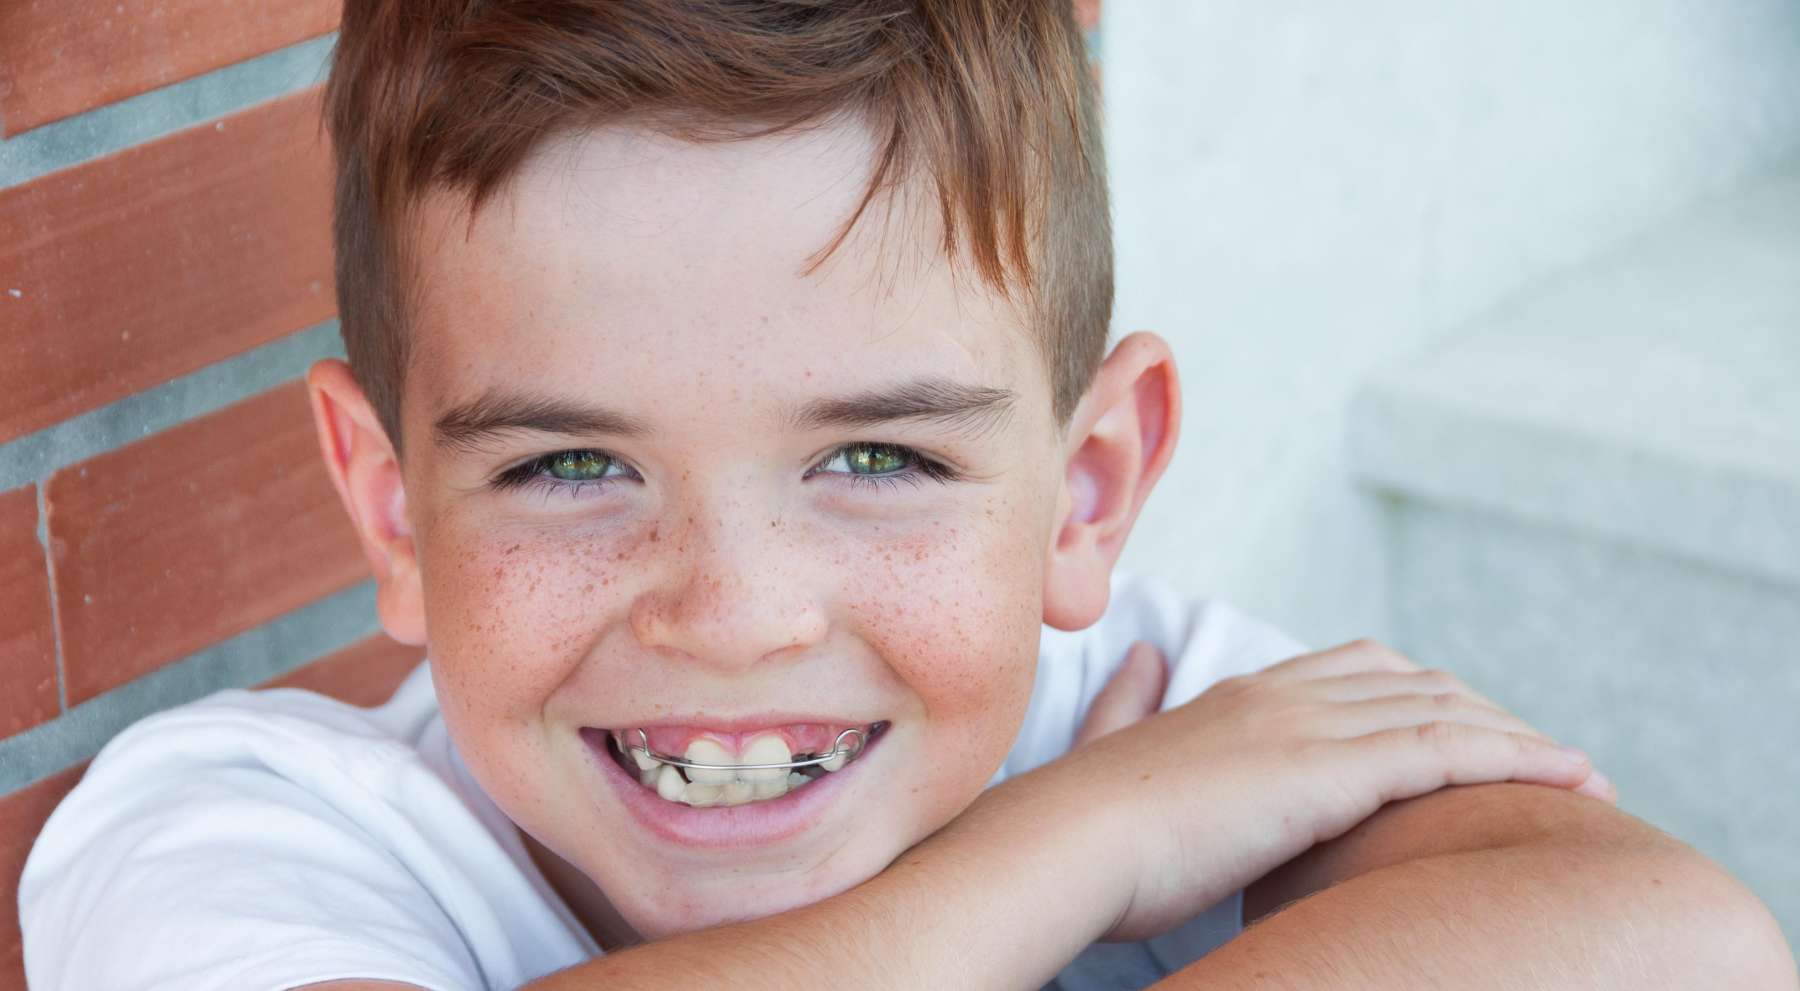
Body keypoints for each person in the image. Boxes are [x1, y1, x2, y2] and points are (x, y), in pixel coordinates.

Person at [21, 1, 1794, 988]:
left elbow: (1685, 952)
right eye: (573, 465)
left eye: (879, 460)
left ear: (1087, 489)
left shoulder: (1146, 707)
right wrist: (1085, 848)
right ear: (394, 510)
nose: (730, 614)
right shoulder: (224, 838)